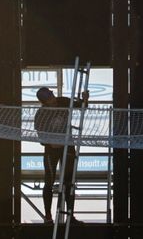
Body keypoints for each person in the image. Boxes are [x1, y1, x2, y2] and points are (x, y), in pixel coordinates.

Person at [33, 86, 90, 224]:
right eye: (49, 99)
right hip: (51, 150)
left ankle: (70, 216)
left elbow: (81, 107)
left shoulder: (63, 101)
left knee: (69, 182)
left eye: (52, 96)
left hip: (68, 146)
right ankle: (48, 216)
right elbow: (40, 135)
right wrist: (51, 143)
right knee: (49, 182)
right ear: (44, 102)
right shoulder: (41, 114)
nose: (53, 100)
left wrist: (85, 99)